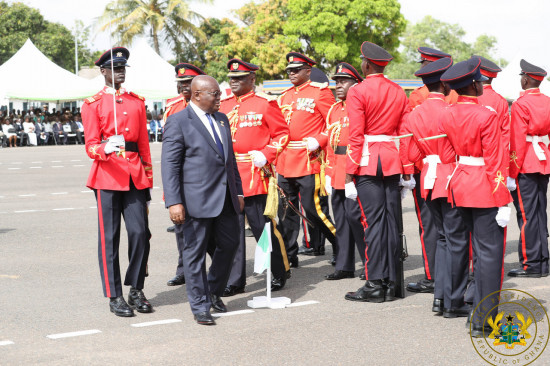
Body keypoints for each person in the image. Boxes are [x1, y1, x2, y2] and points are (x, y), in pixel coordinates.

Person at [162, 75, 244, 326]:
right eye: (215, 94)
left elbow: (230, 161)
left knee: (230, 246)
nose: (220, 98)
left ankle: (212, 291)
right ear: (197, 95)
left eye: (219, 94)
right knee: (194, 254)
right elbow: (170, 165)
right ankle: (200, 305)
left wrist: (238, 192)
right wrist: (174, 201)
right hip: (194, 201)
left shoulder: (221, 120)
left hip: (225, 199)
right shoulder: (178, 122)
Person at [438, 57, 512, 337]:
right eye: (480, 81)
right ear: (472, 84)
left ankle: (474, 312)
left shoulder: (446, 114)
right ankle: (484, 319)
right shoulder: (487, 115)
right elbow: (495, 161)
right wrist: (503, 200)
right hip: (484, 188)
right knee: (489, 255)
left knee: (469, 250)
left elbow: (447, 156)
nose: (482, 84)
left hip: (458, 184)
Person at [82, 47, 154, 317]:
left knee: (140, 234)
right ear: (103, 72)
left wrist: (147, 177)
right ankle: (115, 295)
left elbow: (144, 144)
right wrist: (104, 148)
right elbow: (89, 146)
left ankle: (136, 287)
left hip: (135, 174)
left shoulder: (136, 102)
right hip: (107, 175)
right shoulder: (92, 104)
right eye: (114, 68)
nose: (120, 71)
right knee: (109, 239)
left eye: (123, 67)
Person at [344, 41, 410, 303]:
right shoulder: (398, 91)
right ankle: (391, 280)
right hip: (392, 161)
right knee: (390, 224)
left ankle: (374, 283)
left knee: (372, 224)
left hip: (368, 162)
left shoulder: (358, 91)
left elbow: (356, 135)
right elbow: (404, 134)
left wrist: (349, 173)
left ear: (367, 64)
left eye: (362, 60)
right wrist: (407, 171)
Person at [405, 57, 471, 318]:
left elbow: (411, 153)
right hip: (451, 177)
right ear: (445, 84)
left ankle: (440, 297)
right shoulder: (450, 110)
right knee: (456, 241)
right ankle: (453, 302)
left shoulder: (415, 112)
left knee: (442, 239)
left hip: (429, 180)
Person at [219, 58, 290, 295]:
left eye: (239, 78)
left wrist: (266, 154)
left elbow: (282, 135)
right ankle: (235, 280)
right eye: (232, 78)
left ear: (252, 79)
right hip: (229, 175)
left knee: (263, 228)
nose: (234, 82)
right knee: (233, 231)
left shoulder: (266, 103)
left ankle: (279, 271)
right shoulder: (223, 104)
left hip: (254, 172)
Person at [276, 52, 337, 265]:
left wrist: (320, 140)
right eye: (289, 70)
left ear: (308, 71)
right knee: (286, 213)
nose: (292, 73)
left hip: (308, 158)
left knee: (313, 211)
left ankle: (340, 246)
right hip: (285, 160)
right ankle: (289, 256)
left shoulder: (320, 93)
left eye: (296, 70)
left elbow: (335, 124)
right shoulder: (283, 96)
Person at [405, 47, 455, 294]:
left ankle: (434, 275)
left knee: (430, 225)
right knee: (455, 227)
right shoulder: (455, 93)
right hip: (455, 168)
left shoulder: (418, 97)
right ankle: (454, 276)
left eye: (425, 63)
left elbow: (411, 143)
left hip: (426, 169)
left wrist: (410, 170)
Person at [163, 62, 206, 286]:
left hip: (203, 177)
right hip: (180, 177)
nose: (183, 87)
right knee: (181, 229)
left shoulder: (210, 103)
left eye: (188, 83)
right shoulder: (172, 106)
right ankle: (184, 269)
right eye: (180, 83)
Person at [323, 62, 366, 280]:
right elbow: (331, 143)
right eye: (337, 82)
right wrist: (329, 173)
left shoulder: (359, 104)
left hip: (354, 167)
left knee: (356, 217)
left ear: (356, 83)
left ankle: (368, 264)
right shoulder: (334, 108)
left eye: (343, 81)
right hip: (338, 167)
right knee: (341, 219)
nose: (338, 86)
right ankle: (344, 265)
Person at [508, 59, 550, 278]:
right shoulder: (548, 101)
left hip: (526, 162)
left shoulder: (521, 104)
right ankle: (543, 261)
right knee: (540, 212)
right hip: (543, 160)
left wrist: (511, 172)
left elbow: (516, 140)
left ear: (526, 79)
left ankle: (531, 263)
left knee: (526, 215)